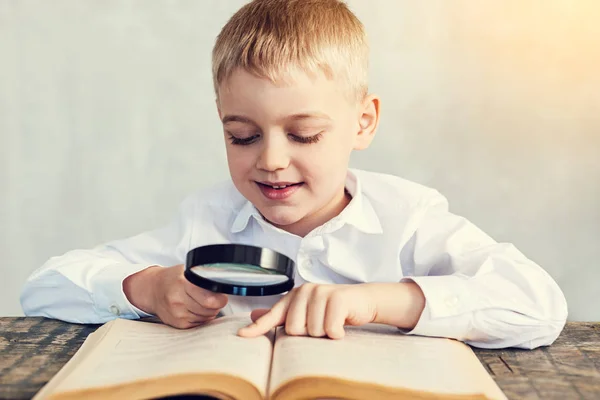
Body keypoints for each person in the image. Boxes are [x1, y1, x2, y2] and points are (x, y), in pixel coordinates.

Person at [21, 0, 567, 349]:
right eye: (242, 135)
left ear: (363, 121)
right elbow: (45, 287)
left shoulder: (411, 217)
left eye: (304, 134)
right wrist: (147, 288)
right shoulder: (207, 220)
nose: (271, 160)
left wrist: (380, 302)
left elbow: (538, 305)